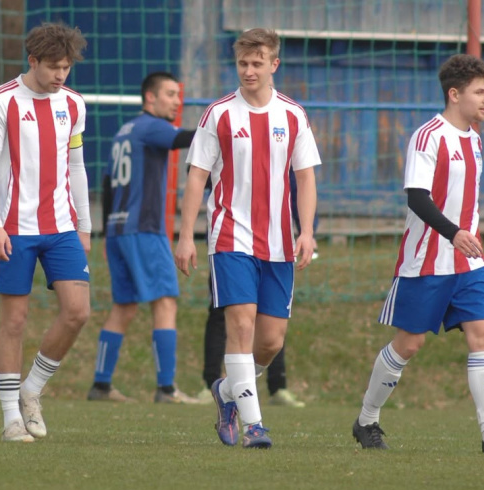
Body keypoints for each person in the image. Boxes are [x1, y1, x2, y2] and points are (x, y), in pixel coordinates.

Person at [351, 54, 484, 455]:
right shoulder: (428, 136)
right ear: (455, 94)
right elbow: (416, 196)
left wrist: (463, 239)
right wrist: (452, 233)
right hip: (426, 260)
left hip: (469, 262)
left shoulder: (476, 140)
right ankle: (366, 420)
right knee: (409, 344)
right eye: (480, 92)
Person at [175, 28, 319, 449]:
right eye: (243, 63)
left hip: (279, 242)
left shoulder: (293, 115)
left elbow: (305, 177)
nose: (249, 70)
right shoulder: (218, 114)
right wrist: (186, 236)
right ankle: (255, 426)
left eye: (258, 63)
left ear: (274, 65)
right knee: (240, 325)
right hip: (230, 237)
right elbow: (196, 178)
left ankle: (226, 392)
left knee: (271, 341)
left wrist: (306, 230)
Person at [0, 22, 92, 443]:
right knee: (15, 321)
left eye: (66, 67)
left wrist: (84, 225)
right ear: (33, 61)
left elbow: (76, 166)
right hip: (15, 228)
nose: (61, 75)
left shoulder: (74, 104)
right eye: (54, 67)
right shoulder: (1, 102)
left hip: (62, 227)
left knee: (78, 311)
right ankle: (10, 419)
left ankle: (31, 391)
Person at [88, 72, 200, 404]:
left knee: (123, 306)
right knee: (165, 301)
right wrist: (219, 128)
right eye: (169, 94)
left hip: (118, 231)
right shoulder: (152, 126)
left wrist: (108, 234)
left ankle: (101, 385)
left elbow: (108, 186)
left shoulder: (124, 131)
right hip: (145, 229)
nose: (176, 101)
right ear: (149, 98)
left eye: (177, 95)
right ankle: (167, 389)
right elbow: (183, 139)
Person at [198, 171, 313, 408]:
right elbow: (202, 171)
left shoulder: (288, 137)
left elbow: (298, 180)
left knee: (270, 326)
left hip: (273, 242)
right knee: (227, 315)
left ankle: (267, 386)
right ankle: (211, 381)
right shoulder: (222, 133)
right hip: (232, 239)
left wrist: (307, 229)